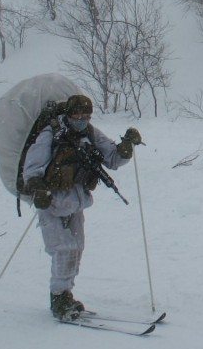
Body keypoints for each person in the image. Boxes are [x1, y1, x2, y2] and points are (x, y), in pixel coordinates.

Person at [21, 94, 140, 320]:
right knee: (63, 249)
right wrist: (37, 188)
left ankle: (66, 293)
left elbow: (112, 158)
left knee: (76, 249)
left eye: (87, 116)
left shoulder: (90, 133)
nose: (82, 120)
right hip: (51, 202)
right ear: (69, 114)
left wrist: (126, 147)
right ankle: (58, 298)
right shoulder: (50, 134)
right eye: (78, 115)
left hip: (76, 202)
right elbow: (32, 167)